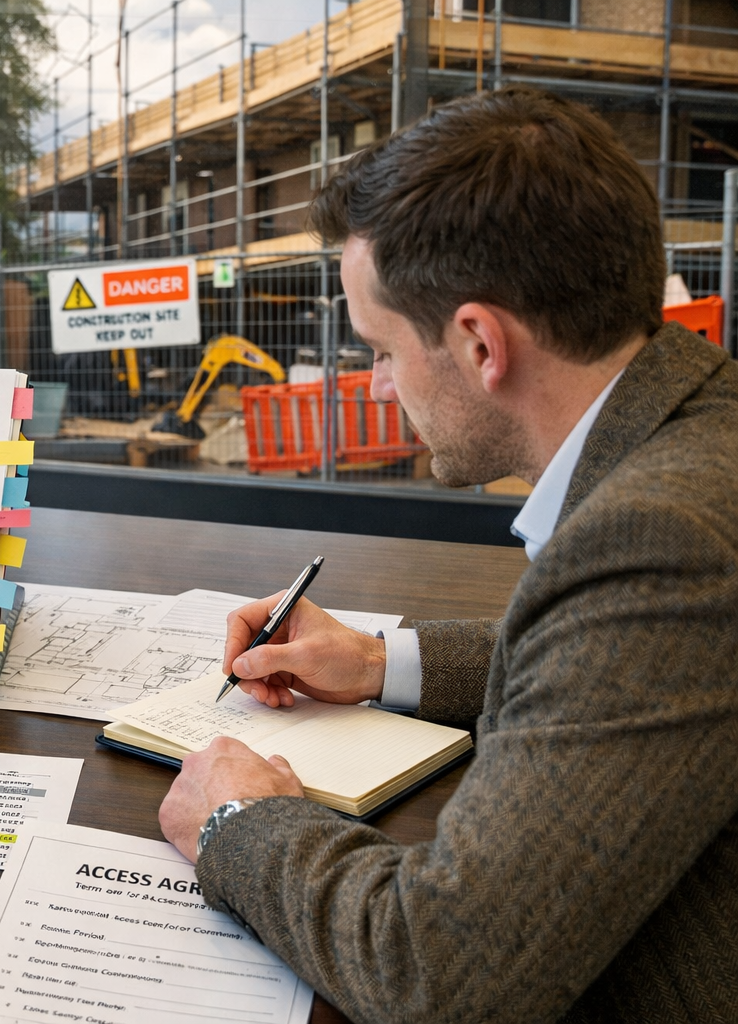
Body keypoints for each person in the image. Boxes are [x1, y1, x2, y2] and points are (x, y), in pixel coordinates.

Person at [159, 87, 738, 1022]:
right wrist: (379, 661)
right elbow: (606, 665)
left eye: (380, 349)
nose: (379, 385)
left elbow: (441, 977)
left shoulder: (661, 539)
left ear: (478, 343)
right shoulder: (697, 432)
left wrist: (239, 822)